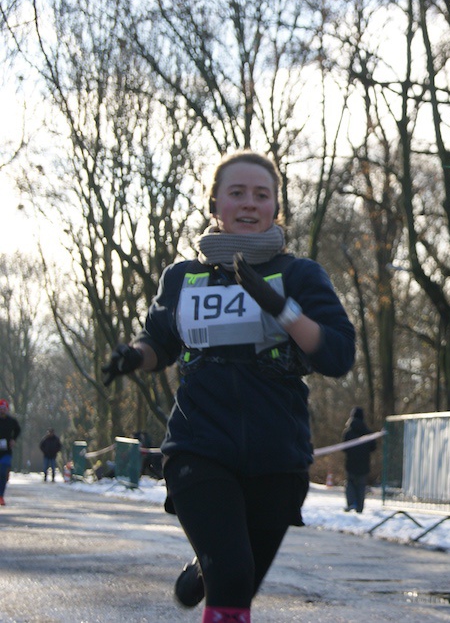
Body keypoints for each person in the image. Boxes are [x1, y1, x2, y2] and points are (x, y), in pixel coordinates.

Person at [101, 150, 356, 623]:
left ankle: (206, 568)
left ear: (275, 206)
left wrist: (282, 309)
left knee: (237, 576)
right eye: (236, 193)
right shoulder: (183, 278)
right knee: (234, 577)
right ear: (214, 203)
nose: (249, 203)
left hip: (277, 455)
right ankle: (217, 565)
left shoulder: (299, 275)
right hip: (199, 445)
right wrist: (134, 356)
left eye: (261, 195)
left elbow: (337, 355)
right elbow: (159, 342)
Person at [342, 406, 377, 513]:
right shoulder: (368, 432)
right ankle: (360, 508)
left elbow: (344, 448)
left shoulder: (348, 432)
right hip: (364, 464)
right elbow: (373, 447)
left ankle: (351, 503)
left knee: (350, 483)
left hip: (351, 463)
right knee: (361, 486)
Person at [0, 399, 20, 506]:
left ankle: (1, 496)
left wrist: (13, 439)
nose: (2, 411)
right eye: (0, 409)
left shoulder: (11, 421)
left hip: (6, 451)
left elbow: (18, 430)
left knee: (3, 473)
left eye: (4, 409)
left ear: (7, 409)